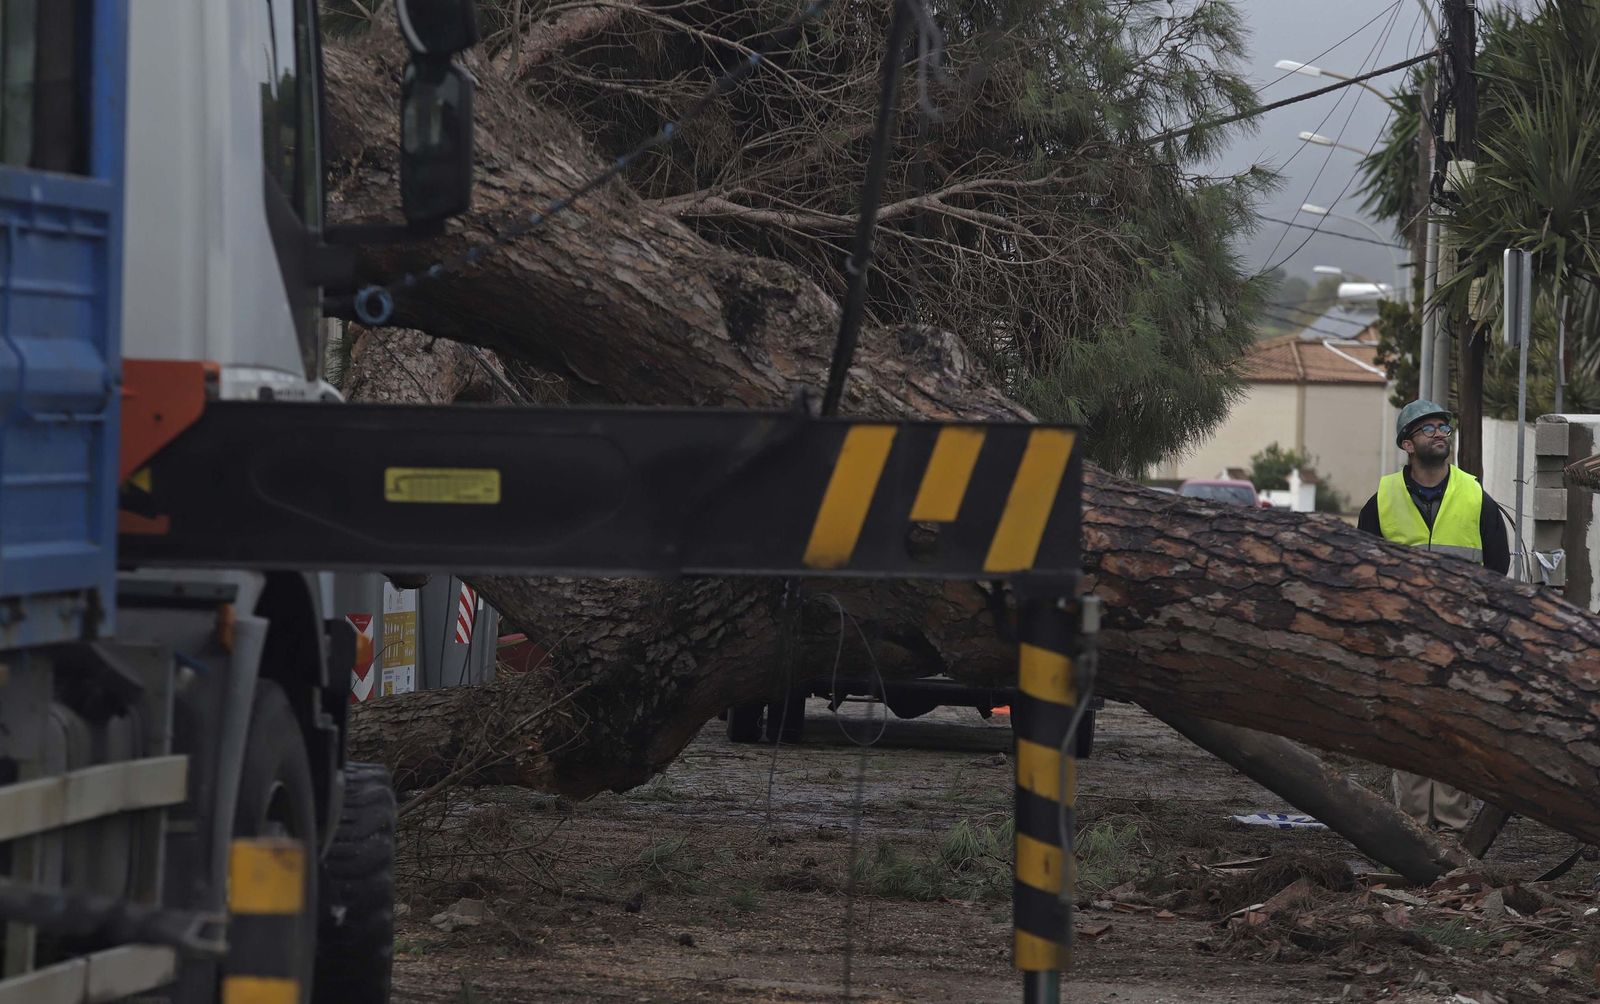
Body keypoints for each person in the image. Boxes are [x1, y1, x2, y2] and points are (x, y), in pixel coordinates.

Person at [1357, 399, 1510, 832]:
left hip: (1460, 638)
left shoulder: (1476, 497)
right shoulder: (1381, 500)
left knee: (1454, 734)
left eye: (1443, 426)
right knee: (1408, 733)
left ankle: (1452, 831)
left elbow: (1497, 568)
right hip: (1401, 638)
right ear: (1408, 444)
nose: (1440, 432)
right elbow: (1362, 571)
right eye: (1427, 429)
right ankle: (1411, 829)